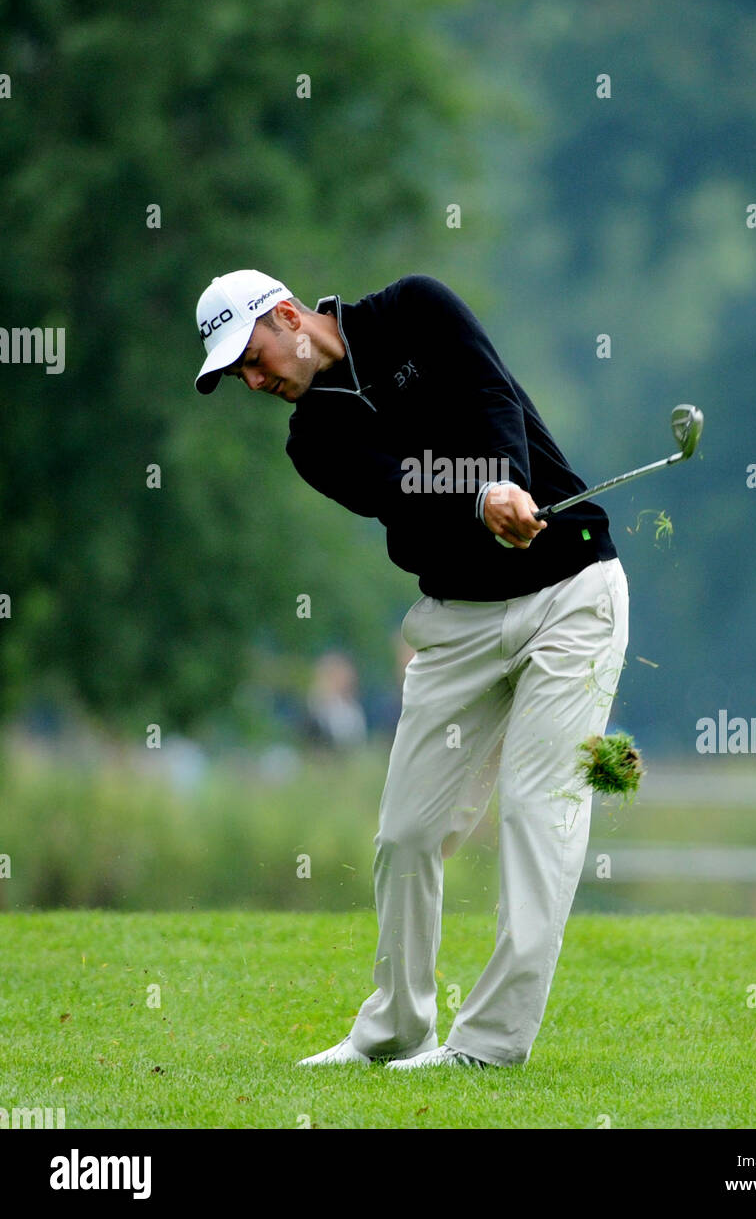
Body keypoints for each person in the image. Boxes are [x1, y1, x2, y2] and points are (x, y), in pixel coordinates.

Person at [194, 268, 629, 1069]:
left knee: (539, 818)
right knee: (405, 832)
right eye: (237, 376)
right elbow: (398, 485)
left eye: (252, 358)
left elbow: (491, 394)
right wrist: (477, 502)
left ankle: (490, 1045)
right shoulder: (311, 441)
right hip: (457, 623)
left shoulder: (414, 309)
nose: (254, 382)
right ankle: (396, 1027)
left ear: (288, 315)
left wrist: (505, 478)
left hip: (571, 594)